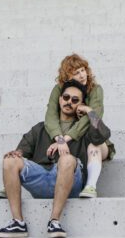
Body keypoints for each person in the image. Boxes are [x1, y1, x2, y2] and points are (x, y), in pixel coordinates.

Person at [0, 79, 112, 238]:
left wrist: (90, 111)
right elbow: (22, 150)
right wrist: (16, 154)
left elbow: (102, 135)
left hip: (71, 182)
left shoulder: (82, 130)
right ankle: (18, 223)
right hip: (41, 178)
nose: (69, 102)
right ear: (60, 98)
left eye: (75, 100)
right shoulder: (41, 128)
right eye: (66, 97)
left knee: (67, 159)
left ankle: (54, 221)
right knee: (9, 160)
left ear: (80, 104)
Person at [44, 53, 114, 198]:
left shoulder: (95, 89)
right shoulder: (59, 90)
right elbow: (50, 116)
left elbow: (95, 119)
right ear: (67, 77)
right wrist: (60, 139)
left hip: (95, 137)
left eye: (83, 70)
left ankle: (90, 186)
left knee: (94, 144)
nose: (82, 75)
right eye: (76, 73)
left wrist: (88, 110)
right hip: (73, 140)